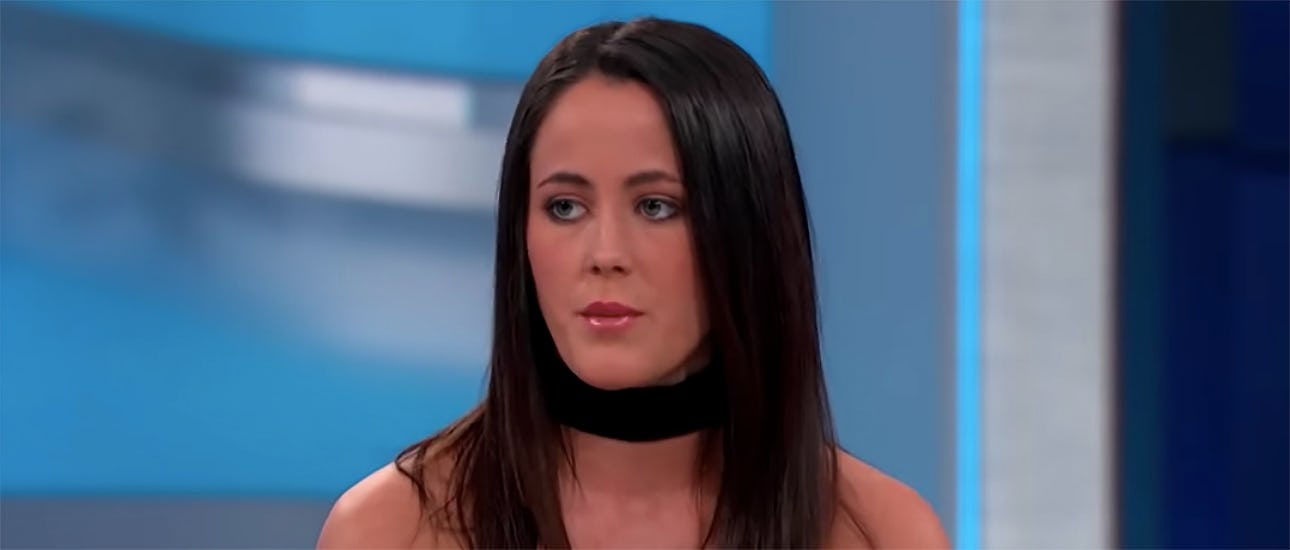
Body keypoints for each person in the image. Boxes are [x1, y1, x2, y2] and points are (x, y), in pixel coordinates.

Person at [317, 17, 948, 549]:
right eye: (565, 207)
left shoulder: (881, 534)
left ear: (748, 230)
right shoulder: (391, 530)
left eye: (656, 207)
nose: (605, 255)